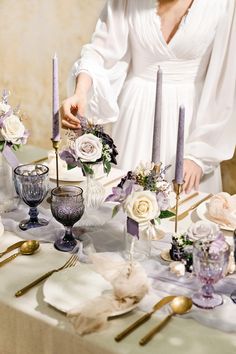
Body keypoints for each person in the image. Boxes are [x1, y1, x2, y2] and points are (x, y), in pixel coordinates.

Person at [60, 0, 236, 194]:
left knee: (181, 214)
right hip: (134, 120)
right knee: (127, 205)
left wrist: (200, 156)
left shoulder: (224, 4)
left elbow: (227, 80)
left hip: (191, 126)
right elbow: (100, 51)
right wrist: (81, 92)